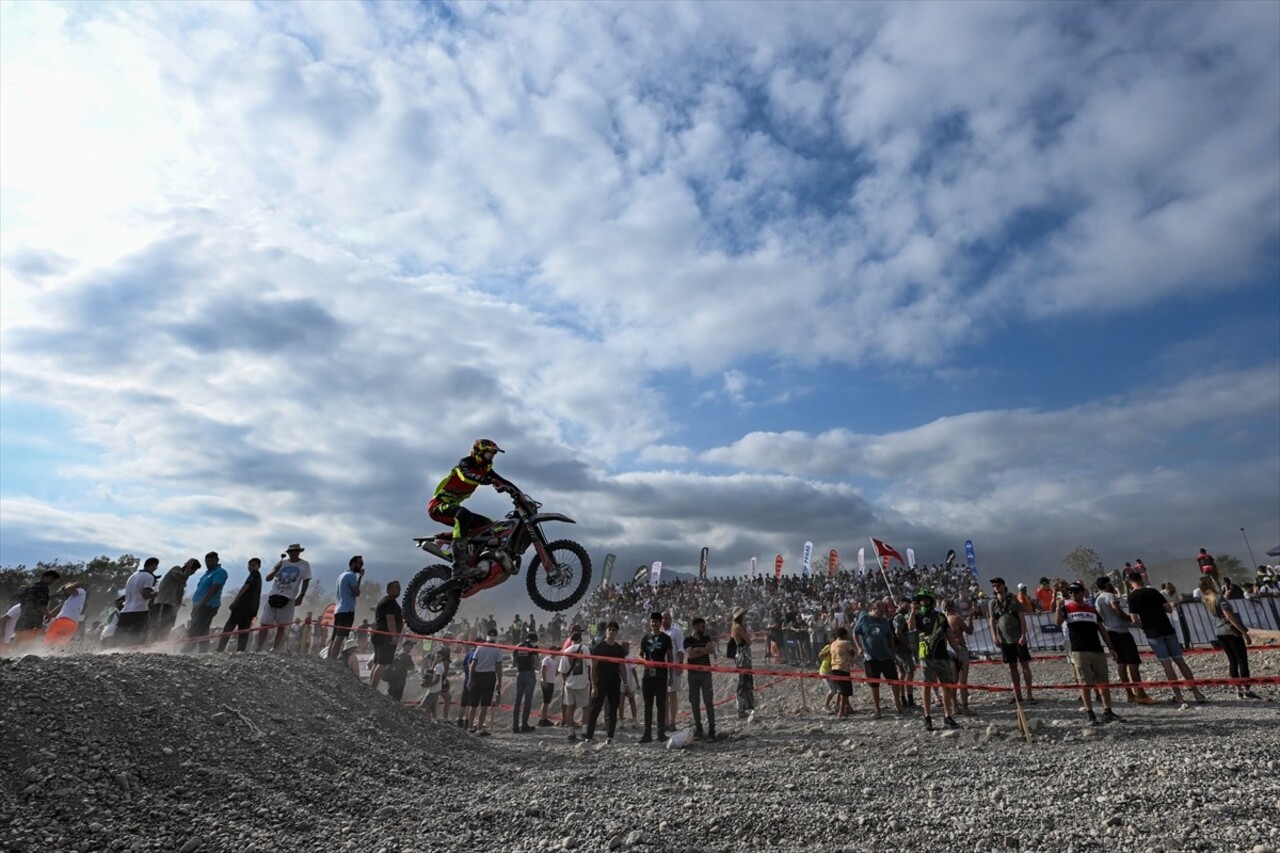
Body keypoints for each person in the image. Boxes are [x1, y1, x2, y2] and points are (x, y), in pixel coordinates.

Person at [428, 439, 518, 580]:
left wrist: (518, 493)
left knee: (490, 525)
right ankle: (459, 566)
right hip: (437, 506)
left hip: (454, 507)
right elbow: (467, 477)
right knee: (463, 515)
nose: (491, 458)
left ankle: (476, 560)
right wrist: (488, 481)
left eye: (493, 455)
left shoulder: (485, 470)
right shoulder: (465, 463)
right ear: (477, 453)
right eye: (488, 454)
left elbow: (503, 481)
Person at [1125, 571, 1206, 704]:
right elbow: (1168, 609)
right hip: (1167, 628)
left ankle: (1179, 696)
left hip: (1153, 632)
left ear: (1129, 582)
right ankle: (1197, 693)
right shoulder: (1154, 592)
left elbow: (1134, 619)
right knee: (1180, 661)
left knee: (1166, 664)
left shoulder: (1132, 597)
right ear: (1141, 579)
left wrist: (1143, 626)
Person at [1055, 582, 1122, 725]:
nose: (1073, 594)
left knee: (1103, 681)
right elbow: (1057, 622)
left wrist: (1111, 647)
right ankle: (1090, 713)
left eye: (1076, 591)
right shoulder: (1066, 608)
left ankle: (1107, 711)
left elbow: (1101, 629)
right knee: (1084, 683)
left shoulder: (1091, 609)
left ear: (1082, 592)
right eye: (1071, 592)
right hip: (1079, 650)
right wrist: (1057, 608)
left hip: (1096, 649)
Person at [1093, 577, 1155, 705]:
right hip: (1121, 632)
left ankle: (1130, 694)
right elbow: (1118, 611)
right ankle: (1141, 694)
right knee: (1133, 662)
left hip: (1111, 631)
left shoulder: (1098, 599)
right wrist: (1131, 619)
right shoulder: (1110, 596)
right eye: (1110, 583)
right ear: (1106, 585)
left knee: (1121, 663)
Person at [1198, 577, 1259, 700]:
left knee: (1232, 661)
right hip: (1231, 632)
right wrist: (1244, 633)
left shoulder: (1207, 599)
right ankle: (1247, 689)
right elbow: (1229, 616)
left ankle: (1238, 690)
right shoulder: (1218, 598)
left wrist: (1226, 594)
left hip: (1220, 632)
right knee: (1242, 660)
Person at [909, 590, 961, 731]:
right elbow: (911, 627)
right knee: (926, 686)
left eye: (926, 600)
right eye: (921, 600)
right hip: (926, 656)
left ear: (931, 601)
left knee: (947, 686)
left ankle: (948, 717)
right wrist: (912, 612)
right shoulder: (918, 616)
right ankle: (927, 718)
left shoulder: (940, 616)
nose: (923, 602)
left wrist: (958, 651)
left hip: (941, 655)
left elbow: (949, 635)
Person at [988, 577, 1035, 704]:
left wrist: (1023, 635)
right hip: (1005, 640)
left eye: (998, 585)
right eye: (994, 586)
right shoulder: (992, 603)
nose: (996, 588)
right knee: (1012, 667)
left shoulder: (1013, 600)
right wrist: (994, 636)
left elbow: (1022, 618)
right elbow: (992, 620)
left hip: (1018, 638)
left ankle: (1030, 694)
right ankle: (1018, 694)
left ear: (1003, 586)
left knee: (1025, 665)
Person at [257, 544, 312, 652]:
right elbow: (268, 578)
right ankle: (259, 647)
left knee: (281, 626)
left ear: (299, 552)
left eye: (296, 551)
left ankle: (275, 648)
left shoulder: (304, 565)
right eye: (291, 551)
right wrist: (274, 570)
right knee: (264, 623)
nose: (294, 553)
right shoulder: (281, 563)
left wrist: (301, 595)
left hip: (289, 597)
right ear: (288, 553)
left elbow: (306, 580)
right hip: (274, 595)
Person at [853, 599, 901, 717]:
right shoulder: (864, 618)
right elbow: (855, 632)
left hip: (886, 656)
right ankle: (877, 709)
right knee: (874, 684)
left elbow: (890, 637)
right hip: (871, 657)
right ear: (874, 609)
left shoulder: (884, 621)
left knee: (894, 681)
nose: (882, 614)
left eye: (884, 611)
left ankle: (898, 704)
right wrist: (859, 647)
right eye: (881, 611)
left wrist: (893, 653)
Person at [585, 621, 628, 744]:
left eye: (614, 630)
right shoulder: (598, 647)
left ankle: (610, 736)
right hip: (600, 682)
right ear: (606, 631)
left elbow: (622, 667)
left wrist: (625, 684)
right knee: (595, 709)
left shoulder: (619, 649)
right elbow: (593, 667)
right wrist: (593, 685)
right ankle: (589, 736)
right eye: (610, 629)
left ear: (616, 632)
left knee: (612, 710)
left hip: (614, 682)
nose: (612, 632)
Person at [638, 612, 673, 743]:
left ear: (660, 623)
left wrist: (671, 675)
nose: (654, 624)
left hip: (661, 676)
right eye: (652, 621)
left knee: (661, 705)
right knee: (648, 706)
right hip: (647, 676)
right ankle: (647, 734)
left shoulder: (665, 638)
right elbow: (640, 655)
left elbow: (670, 658)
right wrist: (644, 661)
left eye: (656, 621)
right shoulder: (645, 638)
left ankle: (660, 733)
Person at [216, 558, 263, 653]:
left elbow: (245, 587)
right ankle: (240, 651)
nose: (251, 567)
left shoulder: (254, 574)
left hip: (242, 606)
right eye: (250, 565)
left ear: (259, 567)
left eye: (254, 565)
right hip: (250, 609)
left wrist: (235, 601)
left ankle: (220, 649)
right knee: (243, 630)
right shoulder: (258, 577)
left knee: (229, 626)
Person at [683, 617, 717, 740]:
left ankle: (712, 729)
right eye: (702, 626)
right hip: (693, 674)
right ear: (695, 626)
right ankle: (699, 728)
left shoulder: (706, 638)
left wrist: (697, 649)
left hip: (705, 673)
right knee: (694, 702)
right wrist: (703, 651)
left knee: (708, 701)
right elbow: (690, 654)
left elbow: (711, 649)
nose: (704, 629)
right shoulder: (687, 640)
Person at [151, 559, 198, 642]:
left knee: (167, 627)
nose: (193, 573)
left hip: (171, 605)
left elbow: (180, 593)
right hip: (163, 603)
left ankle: (161, 645)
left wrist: (177, 607)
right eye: (194, 570)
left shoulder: (183, 579)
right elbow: (183, 579)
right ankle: (151, 645)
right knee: (158, 626)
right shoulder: (176, 569)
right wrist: (189, 567)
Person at [370, 581, 404, 692]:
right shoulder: (390, 603)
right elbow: (390, 619)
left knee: (377, 662)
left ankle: (371, 688)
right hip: (385, 636)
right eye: (396, 587)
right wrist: (394, 636)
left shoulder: (383, 601)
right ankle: (373, 689)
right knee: (382, 663)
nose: (399, 589)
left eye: (399, 587)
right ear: (389, 589)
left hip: (379, 634)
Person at [327, 556, 363, 660]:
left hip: (338, 609)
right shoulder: (351, 576)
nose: (361, 566)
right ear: (353, 563)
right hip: (347, 610)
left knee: (334, 637)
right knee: (339, 638)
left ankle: (329, 659)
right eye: (359, 563)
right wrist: (360, 578)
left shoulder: (341, 575)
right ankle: (333, 660)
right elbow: (357, 592)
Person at [470, 627, 504, 736]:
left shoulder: (479, 648)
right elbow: (498, 667)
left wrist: (471, 679)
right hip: (489, 677)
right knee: (484, 704)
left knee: (474, 703)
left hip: (478, 676)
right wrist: (499, 681)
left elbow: (473, 665)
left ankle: (470, 727)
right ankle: (479, 728)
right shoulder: (497, 649)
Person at [118, 558, 159, 647]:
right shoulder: (149, 577)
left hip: (125, 611)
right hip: (139, 611)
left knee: (120, 637)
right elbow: (146, 595)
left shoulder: (132, 576)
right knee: (138, 638)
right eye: (156, 566)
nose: (156, 568)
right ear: (153, 565)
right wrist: (156, 594)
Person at [559, 630, 590, 741]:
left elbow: (563, 671)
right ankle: (585, 731)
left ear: (571, 640)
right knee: (586, 707)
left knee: (570, 708)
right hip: (582, 683)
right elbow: (588, 665)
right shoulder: (585, 649)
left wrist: (565, 681)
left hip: (570, 683)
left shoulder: (566, 651)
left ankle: (570, 733)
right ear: (580, 639)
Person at [944, 599, 974, 714]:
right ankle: (965, 708)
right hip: (960, 648)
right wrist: (971, 617)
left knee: (953, 681)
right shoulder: (956, 618)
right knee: (963, 681)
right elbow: (969, 631)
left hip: (950, 650)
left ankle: (955, 706)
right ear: (952, 607)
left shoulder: (945, 620)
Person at [511, 632, 541, 733]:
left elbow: (513, 663)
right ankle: (524, 725)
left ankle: (515, 725)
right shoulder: (533, 647)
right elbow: (537, 663)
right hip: (529, 674)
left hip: (519, 673)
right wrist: (536, 665)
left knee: (517, 701)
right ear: (534, 640)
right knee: (527, 700)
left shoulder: (517, 646)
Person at [891, 599, 918, 708]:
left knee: (902, 673)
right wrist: (907, 644)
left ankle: (903, 699)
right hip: (901, 649)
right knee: (910, 671)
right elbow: (898, 632)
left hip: (900, 648)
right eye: (906, 604)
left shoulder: (902, 616)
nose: (908, 606)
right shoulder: (899, 617)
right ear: (900, 603)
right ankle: (909, 699)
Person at [44, 582, 87, 646]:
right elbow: (59, 607)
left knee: (49, 639)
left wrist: (64, 587)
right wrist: (49, 615)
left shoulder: (81, 591)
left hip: (65, 620)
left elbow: (69, 588)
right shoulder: (71, 599)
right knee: (60, 642)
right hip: (71, 623)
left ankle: (46, 651)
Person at [827, 626, 856, 719]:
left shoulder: (833, 644)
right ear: (844, 635)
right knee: (845, 691)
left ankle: (847, 708)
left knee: (841, 690)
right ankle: (841, 711)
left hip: (834, 668)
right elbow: (852, 653)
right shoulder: (846, 643)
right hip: (843, 668)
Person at [730, 606, 755, 718]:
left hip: (740, 654)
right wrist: (751, 638)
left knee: (743, 681)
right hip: (743, 655)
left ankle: (743, 707)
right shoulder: (738, 626)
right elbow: (748, 641)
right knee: (744, 682)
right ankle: (741, 708)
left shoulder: (733, 626)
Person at [662, 610, 684, 731]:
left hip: (673, 666)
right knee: (663, 695)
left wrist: (680, 663)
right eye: (662, 618)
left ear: (670, 619)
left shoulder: (676, 632)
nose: (664, 621)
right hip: (661, 668)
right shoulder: (659, 633)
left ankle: (673, 722)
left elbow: (680, 648)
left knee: (672, 694)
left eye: (666, 618)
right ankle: (665, 722)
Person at [421, 649, 448, 718]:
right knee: (433, 708)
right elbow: (431, 672)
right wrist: (433, 664)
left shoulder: (439, 666)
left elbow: (437, 679)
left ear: (442, 657)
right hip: (436, 689)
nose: (436, 658)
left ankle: (426, 720)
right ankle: (433, 721)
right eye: (436, 657)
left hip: (434, 690)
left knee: (423, 707)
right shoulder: (438, 665)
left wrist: (428, 684)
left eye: (438, 657)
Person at [538, 643, 559, 727]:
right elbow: (543, 670)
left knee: (547, 701)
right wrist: (545, 681)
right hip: (547, 682)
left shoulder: (555, 661)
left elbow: (555, 673)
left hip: (551, 682)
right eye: (555, 650)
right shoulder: (547, 659)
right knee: (546, 701)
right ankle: (543, 719)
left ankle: (543, 718)